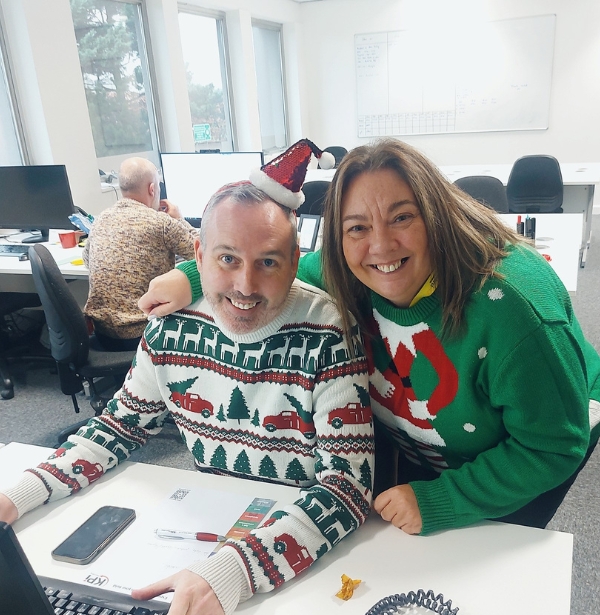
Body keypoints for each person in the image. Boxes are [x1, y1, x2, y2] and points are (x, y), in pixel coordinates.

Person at [0, 178, 373, 615]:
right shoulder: (170, 325)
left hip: (299, 555)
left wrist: (233, 571)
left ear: (294, 258)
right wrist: (17, 495)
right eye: (227, 259)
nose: (244, 285)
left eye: (267, 262)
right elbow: (116, 427)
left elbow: (346, 488)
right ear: (197, 253)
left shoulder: (330, 332)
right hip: (206, 532)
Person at [141, 138, 600, 535]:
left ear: (436, 214)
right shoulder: (346, 269)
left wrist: (444, 499)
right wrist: (191, 277)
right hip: (423, 443)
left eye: (402, 218)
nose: (379, 247)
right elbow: (266, 271)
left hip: (536, 440)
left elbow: (552, 445)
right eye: (357, 227)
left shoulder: (515, 309)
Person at [83, 156, 198, 351]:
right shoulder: (161, 223)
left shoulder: (100, 219)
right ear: (152, 189)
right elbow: (203, 253)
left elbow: (88, 261)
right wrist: (180, 219)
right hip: (147, 333)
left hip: (103, 335)